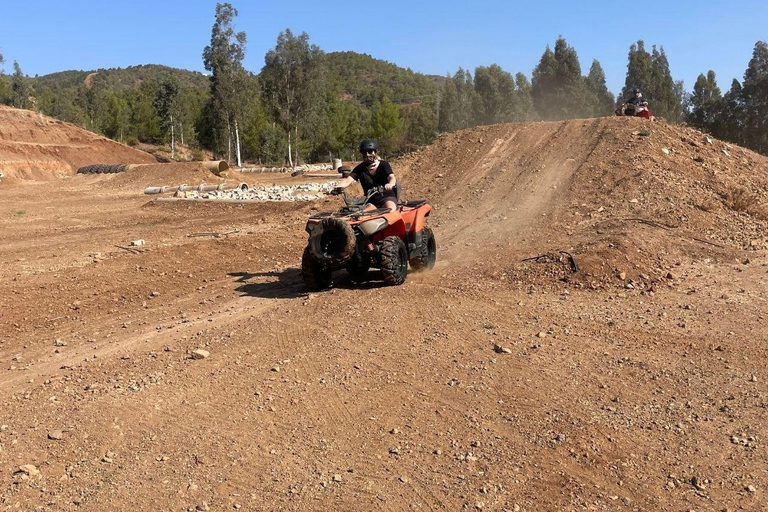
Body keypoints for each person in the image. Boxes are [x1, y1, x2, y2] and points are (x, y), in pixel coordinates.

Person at [331, 139, 398, 212]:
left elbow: (391, 177)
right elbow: (347, 180)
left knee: (390, 210)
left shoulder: (384, 165)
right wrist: (335, 188)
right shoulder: (360, 168)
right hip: (370, 201)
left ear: (375, 152)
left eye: (370, 151)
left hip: (386, 197)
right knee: (359, 215)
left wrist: (391, 184)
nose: (367, 154)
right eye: (364, 152)